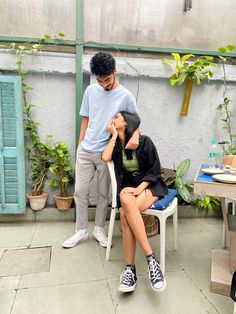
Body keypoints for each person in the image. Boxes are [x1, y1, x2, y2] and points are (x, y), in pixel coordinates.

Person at [62, 52, 139, 249]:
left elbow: (134, 122)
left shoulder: (126, 96)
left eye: (107, 79)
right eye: (99, 80)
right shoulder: (90, 91)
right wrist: (80, 145)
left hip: (106, 152)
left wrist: (133, 138)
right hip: (86, 150)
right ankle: (80, 230)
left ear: (115, 71)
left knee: (104, 194)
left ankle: (99, 229)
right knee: (80, 192)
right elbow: (85, 119)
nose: (103, 84)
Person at [102, 111, 168, 293]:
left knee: (125, 214)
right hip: (129, 190)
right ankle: (151, 260)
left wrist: (140, 189)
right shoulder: (116, 145)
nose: (112, 119)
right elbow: (105, 158)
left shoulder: (145, 141)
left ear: (126, 122)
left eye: (117, 117)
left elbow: (155, 170)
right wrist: (114, 135)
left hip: (150, 187)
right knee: (125, 199)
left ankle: (131, 269)